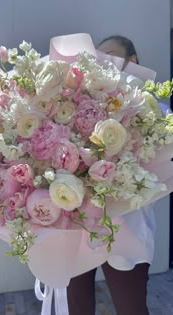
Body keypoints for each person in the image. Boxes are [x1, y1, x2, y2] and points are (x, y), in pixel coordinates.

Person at [67, 35, 160, 315]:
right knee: (77, 305)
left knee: (131, 306)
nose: (102, 60)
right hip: (77, 224)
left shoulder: (153, 110)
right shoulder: (80, 103)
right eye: (98, 55)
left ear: (131, 61)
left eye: (109, 54)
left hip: (127, 224)